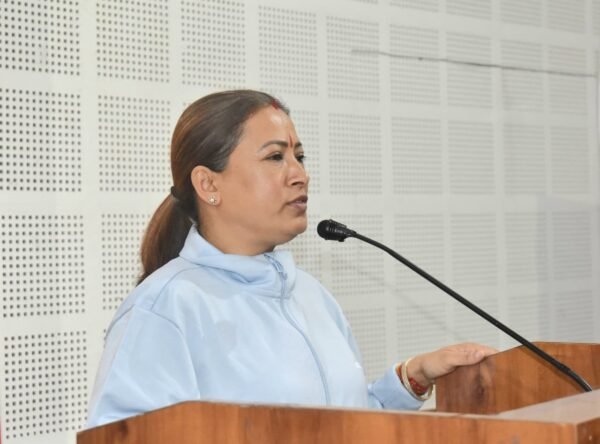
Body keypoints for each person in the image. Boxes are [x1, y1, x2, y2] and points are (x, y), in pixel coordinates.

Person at [85, 90, 495, 428]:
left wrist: (410, 379)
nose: (300, 174)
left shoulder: (312, 297)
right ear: (208, 184)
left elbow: (339, 426)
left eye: (300, 156)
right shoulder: (166, 308)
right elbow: (127, 437)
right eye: (275, 157)